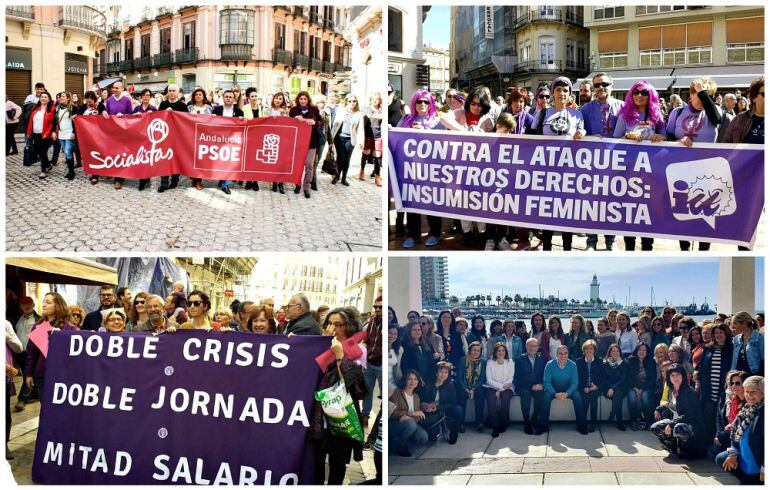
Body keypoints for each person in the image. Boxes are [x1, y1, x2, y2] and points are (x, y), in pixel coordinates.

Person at [311, 308, 367, 484]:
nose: (332, 327)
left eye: (338, 324)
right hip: (320, 412)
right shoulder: (320, 344)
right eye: (329, 323)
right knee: (317, 459)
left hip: (343, 411)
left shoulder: (358, 350)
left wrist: (339, 356)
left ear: (348, 327)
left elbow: (354, 387)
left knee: (338, 462)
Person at [666, 77, 723, 251]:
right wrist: (678, 139)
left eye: (705, 94)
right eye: (696, 93)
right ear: (690, 95)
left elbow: (717, 119)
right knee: (684, 216)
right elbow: (668, 137)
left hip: (706, 173)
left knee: (705, 217)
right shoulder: (676, 112)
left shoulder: (713, 112)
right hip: (681, 171)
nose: (700, 97)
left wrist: (704, 93)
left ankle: (703, 250)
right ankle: (684, 249)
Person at [531, 77, 585, 251]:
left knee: (566, 210)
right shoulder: (542, 113)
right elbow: (528, 138)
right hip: (546, 170)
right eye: (558, 90)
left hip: (568, 171)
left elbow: (583, 134)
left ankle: (567, 247)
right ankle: (547, 245)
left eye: (565, 90)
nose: (562, 93)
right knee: (548, 210)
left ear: (570, 94)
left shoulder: (577, 114)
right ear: (553, 93)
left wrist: (582, 133)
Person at [580, 73, 624, 251]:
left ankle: (610, 240)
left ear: (611, 85)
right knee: (591, 203)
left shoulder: (623, 107)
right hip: (592, 163)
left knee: (611, 204)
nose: (600, 88)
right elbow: (579, 132)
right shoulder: (585, 109)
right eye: (596, 85)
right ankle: (591, 241)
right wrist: (589, 137)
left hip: (615, 163)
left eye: (604, 84)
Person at [398, 90, 446, 248]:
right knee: (412, 203)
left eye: (426, 101)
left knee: (433, 203)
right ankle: (412, 234)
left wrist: (424, 134)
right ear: (414, 103)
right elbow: (396, 138)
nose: (423, 104)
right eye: (419, 101)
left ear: (431, 103)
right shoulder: (406, 120)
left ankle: (435, 232)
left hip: (433, 169)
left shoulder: (438, 121)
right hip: (411, 168)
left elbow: (445, 143)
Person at [24, 293, 77, 398]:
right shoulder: (37, 327)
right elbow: (31, 353)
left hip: (63, 375)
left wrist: (62, 336)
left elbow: (74, 351)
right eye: (43, 302)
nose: (44, 305)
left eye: (48, 302)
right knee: (45, 408)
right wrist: (29, 374)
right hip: (42, 375)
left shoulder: (69, 328)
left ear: (57, 306)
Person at [651, 363, 707, 459]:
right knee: (655, 428)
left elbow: (689, 415)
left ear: (683, 376)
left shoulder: (689, 392)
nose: (675, 377)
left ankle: (687, 453)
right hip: (677, 421)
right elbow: (672, 405)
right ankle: (674, 449)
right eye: (672, 375)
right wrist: (658, 409)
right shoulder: (672, 390)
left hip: (692, 425)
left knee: (679, 428)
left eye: (678, 374)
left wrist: (672, 423)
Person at [715, 375, 763, 484]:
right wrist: (733, 454)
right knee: (721, 458)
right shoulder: (746, 409)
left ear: (763, 392)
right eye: (747, 391)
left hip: (757, 466)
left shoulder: (763, 412)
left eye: (754, 392)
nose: (749, 395)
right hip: (746, 464)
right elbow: (735, 435)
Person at [543, 345, 587, 434]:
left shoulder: (573, 365)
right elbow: (546, 382)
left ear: (568, 354)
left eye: (565, 353)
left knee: (577, 395)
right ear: (556, 354)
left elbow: (575, 383)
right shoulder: (550, 364)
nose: (563, 356)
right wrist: (555, 393)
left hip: (568, 389)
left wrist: (567, 393)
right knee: (546, 396)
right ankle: (543, 425)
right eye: (560, 354)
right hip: (554, 389)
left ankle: (581, 425)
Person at [288, 91, 323, 198]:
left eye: (305, 99)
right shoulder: (294, 110)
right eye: (301, 98)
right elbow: (289, 124)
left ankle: (306, 186)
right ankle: (297, 184)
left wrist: (315, 122)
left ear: (308, 100)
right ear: (298, 100)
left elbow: (321, 122)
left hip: (312, 142)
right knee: (298, 165)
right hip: (298, 141)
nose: (303, 100)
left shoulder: (314, 109)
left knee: (309, 165)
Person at [419, 361, 462, 443]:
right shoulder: (428, 385)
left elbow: (452, 402)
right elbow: (421, 400)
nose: (443, 374)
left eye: (446, 372)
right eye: (441, 372)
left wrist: (438, 408)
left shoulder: (450, 385)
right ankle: (437, 429)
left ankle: (454, 434)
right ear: (436, 373)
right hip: (431, 413)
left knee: (458, 409)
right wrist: (426, 407)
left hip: (444, 409)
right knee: (433, 435)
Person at [389, 370, 428, 457]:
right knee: (410, 424)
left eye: (415, 379)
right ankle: (400, 445)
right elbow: (391, 413)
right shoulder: (396, 393)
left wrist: (410, 416)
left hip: (410, 424)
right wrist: (408, 414)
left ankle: (404, 438)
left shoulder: (416, 397)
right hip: (395, 424)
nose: (413, 382)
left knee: (423, 437)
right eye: (409, 379)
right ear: (405, 380)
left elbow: (417, 417)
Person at [710, 371, 748, 456]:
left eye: (737, 383)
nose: (733, 385)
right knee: (713, 450)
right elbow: (718, 419)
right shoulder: (729, 398)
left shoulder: (748, 400)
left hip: (740, 436)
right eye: (731, 382)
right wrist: (718, 435)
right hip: (729, 433)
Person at [515, 338, 547, 434]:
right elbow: (517, 378)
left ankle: (534, 418)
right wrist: (531, 386)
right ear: (526, 347)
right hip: (523, 387)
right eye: (530, 346)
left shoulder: (542, 359)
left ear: (538, 347)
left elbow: (544, 375)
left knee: (540, 393)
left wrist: (541, 385)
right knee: (525, 394)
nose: (532, 348)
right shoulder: (519, 359)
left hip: (537, 386)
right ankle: (527, 422)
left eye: (534, 346)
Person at [330, 94, 363, 187]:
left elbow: (360, 129)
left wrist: (361, 141)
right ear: (346, 102)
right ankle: (336, 176)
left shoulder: (358, 114)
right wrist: (330, 139)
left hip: (350, 139)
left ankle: (344, 178)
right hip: (339, 137)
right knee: (341, 158)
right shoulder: (341, 111)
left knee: (347, 159)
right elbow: (335, 125)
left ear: (356, 102)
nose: (352, 103)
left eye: (354, 101)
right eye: (350, 101)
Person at [484, 342, 515, 437]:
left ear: (505, 352)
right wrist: (499, 388)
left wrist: (500, 389)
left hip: (507, 386)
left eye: (503, 350)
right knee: (491, 397)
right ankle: (495, 425)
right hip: (492, 386)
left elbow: (510, 378)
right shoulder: (490, 362)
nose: (501, 352)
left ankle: (504, 422)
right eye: (499, 351)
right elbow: (489, 380)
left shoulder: (510, 362)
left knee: (506, 397)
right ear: (495, 352)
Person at [457, 341, 487, 432]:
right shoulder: (463, 360)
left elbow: (483, 378)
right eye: (474, 350)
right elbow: (460, 377)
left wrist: (474, 388)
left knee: (480, 395)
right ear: (469, 350)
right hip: (464, 386)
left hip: (477, 386)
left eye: (478, 350)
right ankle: (461, 423)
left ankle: (479, 422)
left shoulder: (483, 361)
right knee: (461, 396)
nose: (476, 352)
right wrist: (466, 388)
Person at [26, 90, 56, 180]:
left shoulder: (52, 109)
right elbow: (31, 121)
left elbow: (52, 123)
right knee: (36, 150)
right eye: (42, 97)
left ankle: (43, 171)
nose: (43, 98)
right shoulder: (36, 108)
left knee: (43, 152)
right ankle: (48, 165)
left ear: (49, 99)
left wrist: (48, 133)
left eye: (45, 97)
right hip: (35, 134)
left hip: (45, 135)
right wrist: (29, 132)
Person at [362, 296, 383, 428]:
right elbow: (367, 340)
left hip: (381, 365)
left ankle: (380, 421)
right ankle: (365, 415)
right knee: (367, 391)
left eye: (380, 307)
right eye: (376, 307)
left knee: (384, 395)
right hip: (369, 363)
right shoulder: (371, 322)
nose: (377, 309)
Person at [626, 343, 657, 431]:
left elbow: (652, 379)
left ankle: (648, 421)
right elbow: (628, 377)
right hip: (632, 386)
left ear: (647, 352)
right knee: (632, 397)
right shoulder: (631, 360)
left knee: (645, 397)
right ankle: (633, 421)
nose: (641, 352)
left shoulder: (651, 361)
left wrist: (642, 389)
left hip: (646, 387)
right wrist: (635, 388)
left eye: (644, 350)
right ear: (636, 350)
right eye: (639, 349)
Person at [5, 319, 23, 459]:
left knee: (5, 413)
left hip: (5, 378)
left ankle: (4, 445)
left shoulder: (5, 324)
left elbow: (19, 348)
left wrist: (7, 337)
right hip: (6, 369)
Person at [602, 343, 629, 430]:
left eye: (617, 351)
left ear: (620, 353)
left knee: (618, 393)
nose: (615, 353)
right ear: (609, 353)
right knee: (618, 395)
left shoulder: (624, 363)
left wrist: (613, 388)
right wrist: (610, 388)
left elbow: (623, 379)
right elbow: (604, 379)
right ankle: (619, 421)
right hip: (607, 389)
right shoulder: (605, 363)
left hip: (620, 388)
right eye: (613, 351)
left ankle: (613, 413)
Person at [577, 339, 602, 432]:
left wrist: (596, 386)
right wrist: (584, 387)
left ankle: (593, 422)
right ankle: (582, 423)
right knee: (584, 400)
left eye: (591, 349)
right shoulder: (579, 361)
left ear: (594, 350)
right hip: (583, 387)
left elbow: (602, 377)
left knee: (593, 400)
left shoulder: (599, 361)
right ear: (584, 350)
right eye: (587, 348)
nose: (589, 350)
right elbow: (577, 378)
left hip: (595, 387)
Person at [730, 311, 764, 376]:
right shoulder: (736, 339)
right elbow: (734, 360)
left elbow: (764, 359)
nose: (733, 327)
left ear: (744, 324)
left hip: (754, 376)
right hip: (738, 376)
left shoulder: (759, 338)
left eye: (735, 323)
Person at [361, 92, 383, 186]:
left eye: (377, 98)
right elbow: (363, 122)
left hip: (378, 135)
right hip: (368, 135)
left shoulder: (382, 110)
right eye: (373, 98)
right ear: (370, 100)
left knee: (377, 156)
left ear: (379, 100)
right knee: (366, 153)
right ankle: (362, 170)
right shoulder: (366, 109)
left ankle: (377, 176)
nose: (375, 100)